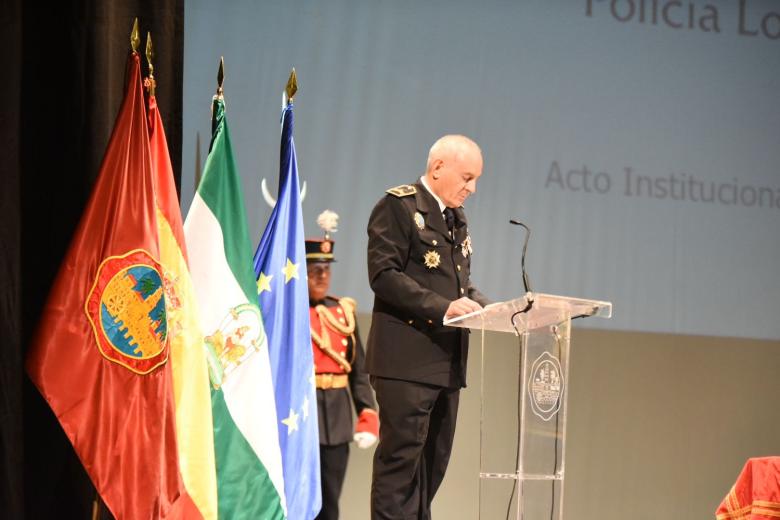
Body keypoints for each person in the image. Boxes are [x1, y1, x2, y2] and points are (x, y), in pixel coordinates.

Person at [365, 134, 490, 519]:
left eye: (476, 181)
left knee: (431, 468)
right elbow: (383, 274)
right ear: (438, 168)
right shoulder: (398, 207)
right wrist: (444, 308)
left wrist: (491, 308)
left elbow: (456, 283)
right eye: (467, 178)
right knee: (400, 468)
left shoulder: (456, 218)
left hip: (446, 363)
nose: (471, 188)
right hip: (406, 363)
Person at [306, 210, 379, 520]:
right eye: (314, 269)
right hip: (301, 419)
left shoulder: (342, 312)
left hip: (336, 420)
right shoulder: (290, 313)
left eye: (326, 269)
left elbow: (358, 372)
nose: (323, 276)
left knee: (330, 504)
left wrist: (367, 415)